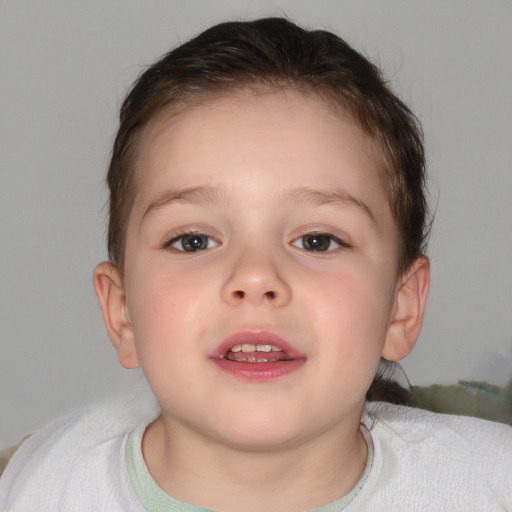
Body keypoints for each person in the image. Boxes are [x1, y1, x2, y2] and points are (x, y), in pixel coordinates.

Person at [0, 17, 510, 512]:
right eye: (194, 241)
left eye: (316, 240)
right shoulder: (38, 486)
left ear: (400, 308)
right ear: (122, 313)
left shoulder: (490, 485)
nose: (255, 277)